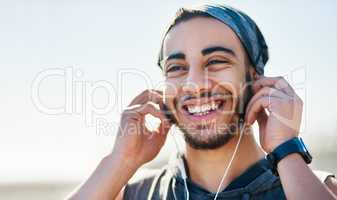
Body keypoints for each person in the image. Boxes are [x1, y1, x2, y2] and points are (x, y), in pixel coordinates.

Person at [67, 4, 337, 200]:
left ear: (255, 77)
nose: (194, 84)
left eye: (216, 61)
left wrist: (286, 150)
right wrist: (121, 160)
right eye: (177, 67)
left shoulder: (318, 188)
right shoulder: (133, 194)